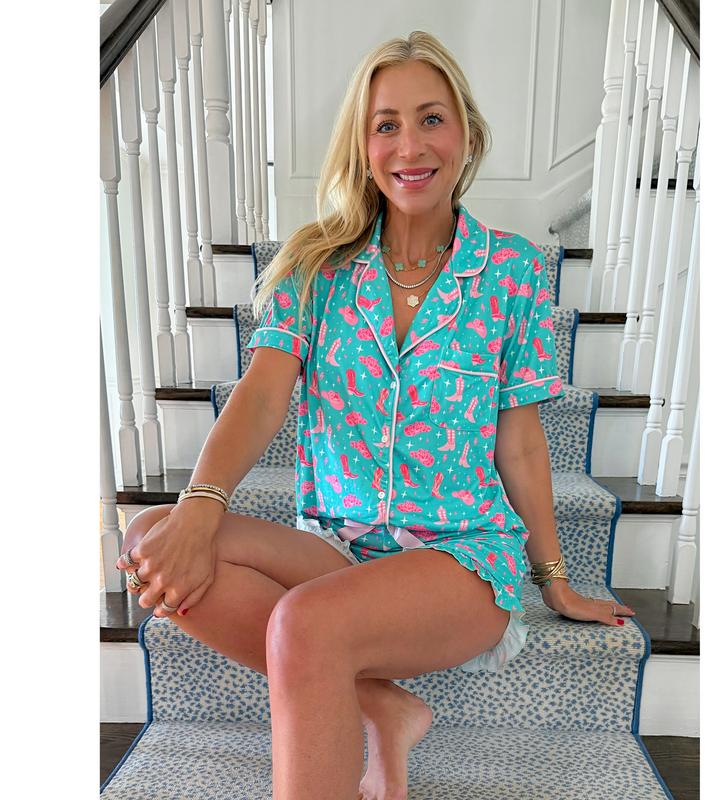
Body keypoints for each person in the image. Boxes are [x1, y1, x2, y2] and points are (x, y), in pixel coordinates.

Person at [116, 30, 636, 800]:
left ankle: (370, 705)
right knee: (151, 540)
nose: (410, 146)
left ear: (466, 135)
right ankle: (383, 707)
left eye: (432, 119)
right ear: (362, 148)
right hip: (336, 544)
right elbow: (262, 395)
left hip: (459, 558)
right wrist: (198, 508)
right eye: (385, 124)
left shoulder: (515, 271)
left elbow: (522, 443)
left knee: (306, 624)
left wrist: (554, 580)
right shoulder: (315, 267)